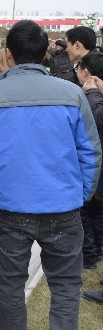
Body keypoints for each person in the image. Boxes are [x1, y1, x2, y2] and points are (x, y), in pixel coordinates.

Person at [0, 20, 101, 329]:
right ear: (45, 54)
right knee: (66, 289)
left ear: (9, 55)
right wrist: (79, 196)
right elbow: (91, 154)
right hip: (64, 208)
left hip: (11, 209)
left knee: (10, 288)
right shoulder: (72, 94)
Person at [75, 52, 103, 271]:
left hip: (94, 163)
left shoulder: (92, 94)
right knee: (96, 210)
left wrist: (92, 94)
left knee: (86, 209)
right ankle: (95, 253)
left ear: (86, 72)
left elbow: (97, 121)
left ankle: (90, 256)